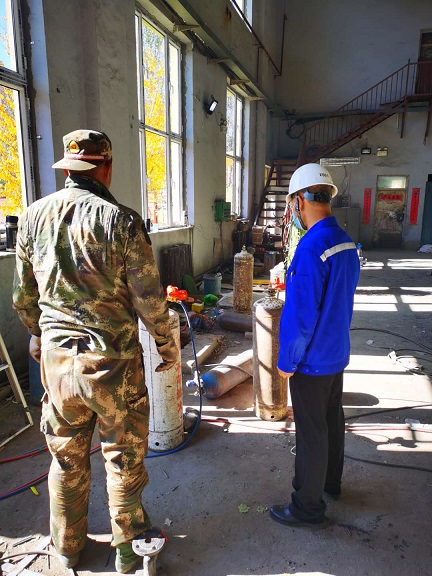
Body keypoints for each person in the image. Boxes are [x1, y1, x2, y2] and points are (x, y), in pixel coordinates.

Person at [13, 130, 178, 572]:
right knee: (122, 458)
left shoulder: (31, 217)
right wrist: (166, 344)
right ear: (105, 167)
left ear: (68, 169)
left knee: (65, 458)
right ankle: (128, 550)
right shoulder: (122, 221)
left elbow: (23, 298)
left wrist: (38, 334)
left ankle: (67, 548)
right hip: (112, 367)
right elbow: (149, 299)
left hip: (57, 366)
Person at [270, 163, 360, 527]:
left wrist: (287, 360)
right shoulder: (345, 242)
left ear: (299, 201)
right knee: (331, 420)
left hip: (311, 360)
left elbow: (301, 316)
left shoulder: (310, 248)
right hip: (336, 353)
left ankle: (306, 507)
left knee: (311, 433)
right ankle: (330, 484)